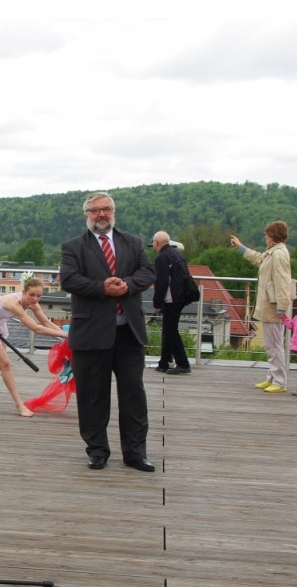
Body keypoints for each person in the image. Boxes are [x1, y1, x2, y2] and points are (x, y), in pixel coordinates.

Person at [60, 192, 156, 472]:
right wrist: (103, 287)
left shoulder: (132, 242)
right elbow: (69, 279)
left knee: (133, 396)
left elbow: (147, 272)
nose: (101, 214)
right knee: (92, 396)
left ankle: (136, 454)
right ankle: (97, 450)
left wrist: (126, 284)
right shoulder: (73, 246)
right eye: (95, 210)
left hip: (128, 333)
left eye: (106, 209)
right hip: (91, 334)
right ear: (86, 215)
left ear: (113, 212)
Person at [0, 274, 68, 416]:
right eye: (31, 295)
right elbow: (36, 328)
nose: (34, 299)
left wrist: (65, 336)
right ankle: (19, 405)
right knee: (5, 364)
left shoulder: (34, 304)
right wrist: (66, 335)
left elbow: (46, 323)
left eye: (38, 296)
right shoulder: (14, 303)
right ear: (24, 292)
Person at [230, 222, 292, 393]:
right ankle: (272, 377)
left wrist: (281, 307)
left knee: (275, 344)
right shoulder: (273, 252)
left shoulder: (278, 254)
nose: (265, 237)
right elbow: (259, 259)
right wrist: (241, 247)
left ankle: (280, 382)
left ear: (273, 235)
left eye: (267, 234)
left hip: (274, 308)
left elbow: (283, 282)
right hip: (271, 307)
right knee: (270, 344)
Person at [151, 231, 192, 375]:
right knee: (169, 330)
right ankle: (164, 362)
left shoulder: (162, 258)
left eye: (153, 243)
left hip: (171, 299)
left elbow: (161, 282)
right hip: (181, 297)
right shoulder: (177, 254)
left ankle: (183, 364)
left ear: (157, 243)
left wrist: (156, 302)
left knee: (171, 331)